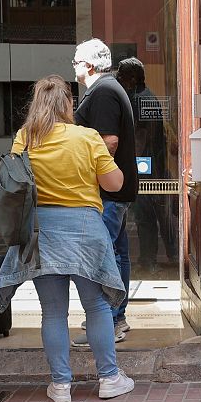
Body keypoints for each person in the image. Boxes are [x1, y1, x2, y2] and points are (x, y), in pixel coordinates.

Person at [0, 75, 135, 402]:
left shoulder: (25, 137)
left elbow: (15, 183)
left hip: (41, 230)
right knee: (97, 307)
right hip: (85, 228)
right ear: (68, 104)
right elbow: (114, 184)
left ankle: (60, 386)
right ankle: (110, 378)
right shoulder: (86, 137)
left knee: (53, 312)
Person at [69, 39, 139, 346]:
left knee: (103, 254)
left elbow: (108, 142)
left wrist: (84, 173)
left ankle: (108, 322)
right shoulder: (107, 89)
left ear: (88, 65)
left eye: (75, 62)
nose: (73, 67)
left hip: (107, 192)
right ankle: (116, 317)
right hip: (114, 191)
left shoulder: (102, 91)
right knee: (117, 254)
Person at [115, 57, 178, 275]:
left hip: (144, 167)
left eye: (121, 77)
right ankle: (172, 255)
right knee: (160, 215)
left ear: (132, 78)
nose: (119, 81)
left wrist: (128, 163)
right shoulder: (148, 97)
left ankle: (148, 261)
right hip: (154, 166)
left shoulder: (138, 100)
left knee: (146, 216)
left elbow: (140, 137)